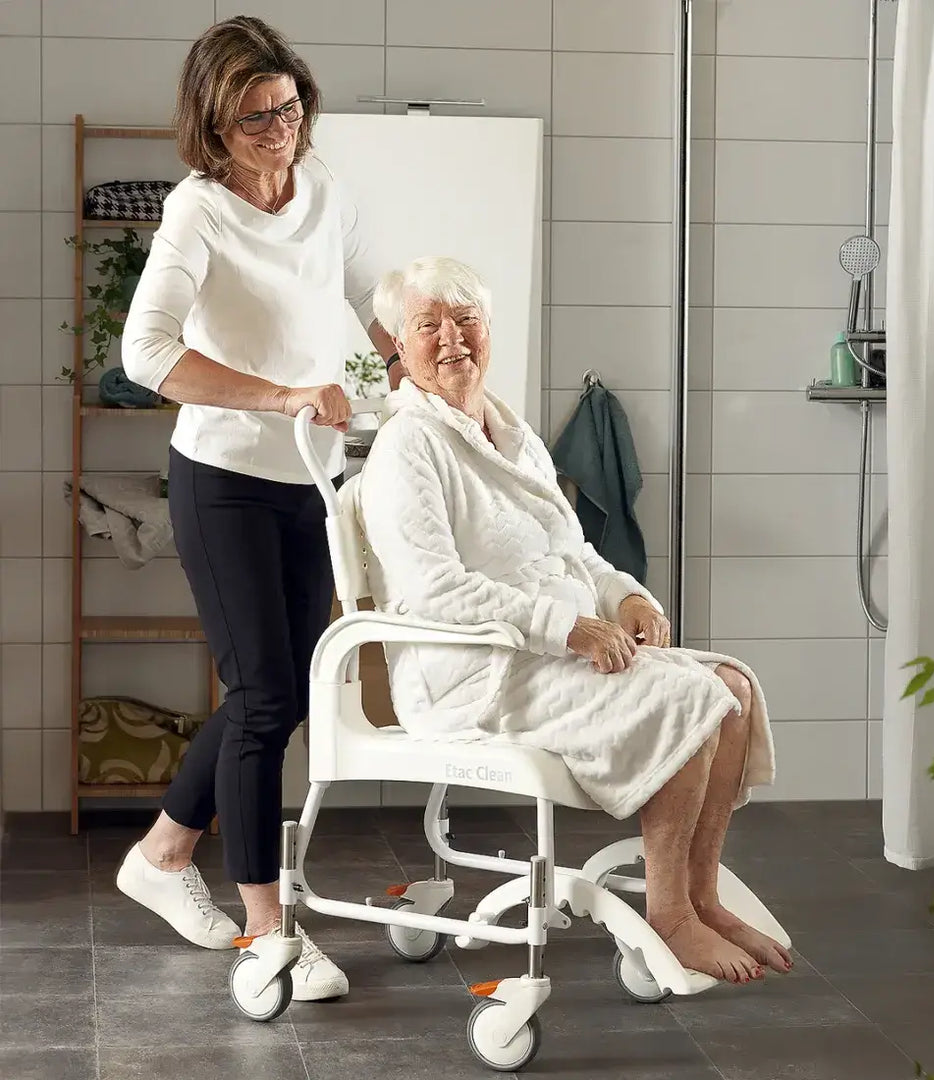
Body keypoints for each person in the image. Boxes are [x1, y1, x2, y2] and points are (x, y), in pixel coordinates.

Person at [357, 257, 792, 983]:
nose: (451, 339)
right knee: (689, 696)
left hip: (543, 650)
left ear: (488, 330)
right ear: (400, 346)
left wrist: (625, 598)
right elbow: (432, 590)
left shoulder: (512, 433)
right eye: (428, 325)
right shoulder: (409, 446)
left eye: (465, 320)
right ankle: (670, 915)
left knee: (733, 686)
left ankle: (703, 894)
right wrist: (566, 627)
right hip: (476, 670)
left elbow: (575, 552)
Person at [116, 16, 398, 1001]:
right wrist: (281, 395)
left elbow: (369, 293)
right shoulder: (198, 214)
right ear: (214, 126)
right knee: (268, 696)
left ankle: (160, 854)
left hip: (309, 480)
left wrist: (422, 372)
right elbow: (145, 353)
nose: (280, 131)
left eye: (289, 108)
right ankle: (267, 931)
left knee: (274, 696)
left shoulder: (323, 188)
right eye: (254, 118)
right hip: (224, 478)